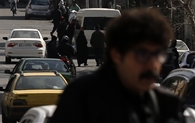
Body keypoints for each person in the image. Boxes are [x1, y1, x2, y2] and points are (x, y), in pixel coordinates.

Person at [50, 8, 185, 123]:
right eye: (143, 54)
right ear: (117, 54)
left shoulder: (167, 105)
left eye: (158, 54)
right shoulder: (82, 98)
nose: (152, 64)